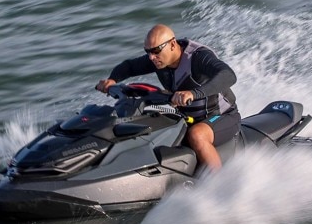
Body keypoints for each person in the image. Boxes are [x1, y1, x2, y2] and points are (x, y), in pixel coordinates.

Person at [96, 24, 240, 172]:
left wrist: (193, 93)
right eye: (148, 52)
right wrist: (112, 80)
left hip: (221, 116)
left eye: (156, 51)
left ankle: (219, 184)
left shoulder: (197, 57)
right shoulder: (159, 59)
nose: (151, 57)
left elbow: (228, 75)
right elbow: (130, 66)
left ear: (172, 44)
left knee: (197, 135)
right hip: (187, 117)